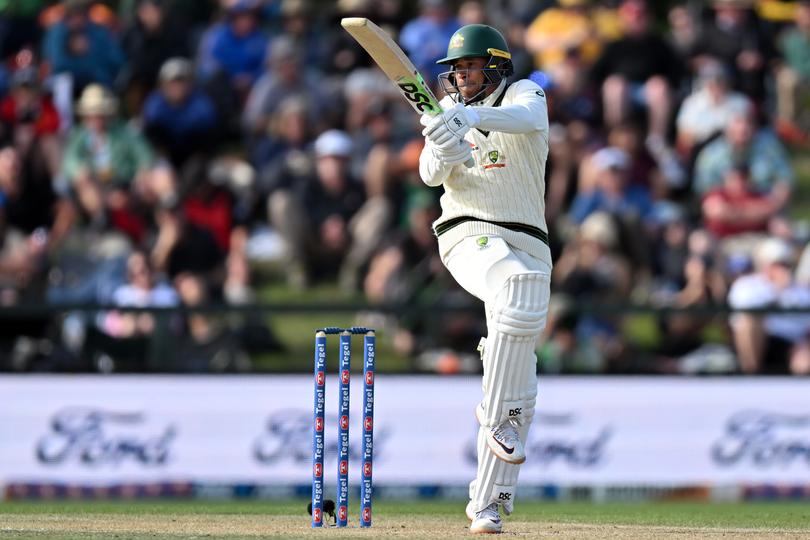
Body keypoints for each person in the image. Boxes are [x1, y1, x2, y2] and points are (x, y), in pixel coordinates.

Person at [418, 23, 550, 534]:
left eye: (467, 67)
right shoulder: (445, 114)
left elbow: (528, 118)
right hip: (466, 231)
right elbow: (431, 174)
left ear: (494, 65)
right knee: (515, 290)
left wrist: (465, 116)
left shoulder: (523, 92)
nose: (458, 77)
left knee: (518, 362)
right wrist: (445, 141)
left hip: (529, 238)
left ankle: (488, 504)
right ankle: (500, 416)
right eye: (453, 71)